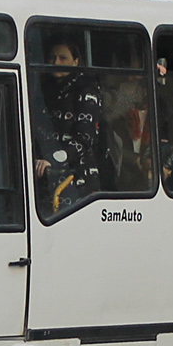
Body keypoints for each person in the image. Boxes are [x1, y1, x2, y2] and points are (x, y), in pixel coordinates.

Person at [32, 37, 102, 214]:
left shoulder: (87, 90)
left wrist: (53, 160)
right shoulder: (42, 90)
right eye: (52, 58)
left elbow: (85, 138)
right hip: (43, 178)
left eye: (63, 58)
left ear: (76, 61)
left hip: (76, 180)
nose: (56, 62)